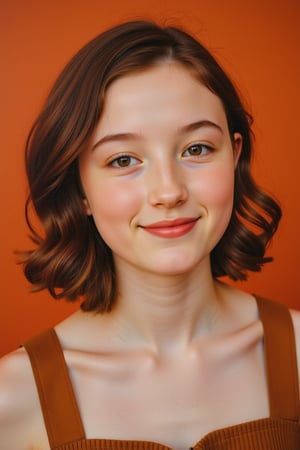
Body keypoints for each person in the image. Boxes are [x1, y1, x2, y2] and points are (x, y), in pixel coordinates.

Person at [0, 20, 299, 450]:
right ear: (79, 187)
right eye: (124, 160)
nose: (169, 191)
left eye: (196, 149)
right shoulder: (14, 396)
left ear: (234, 156)